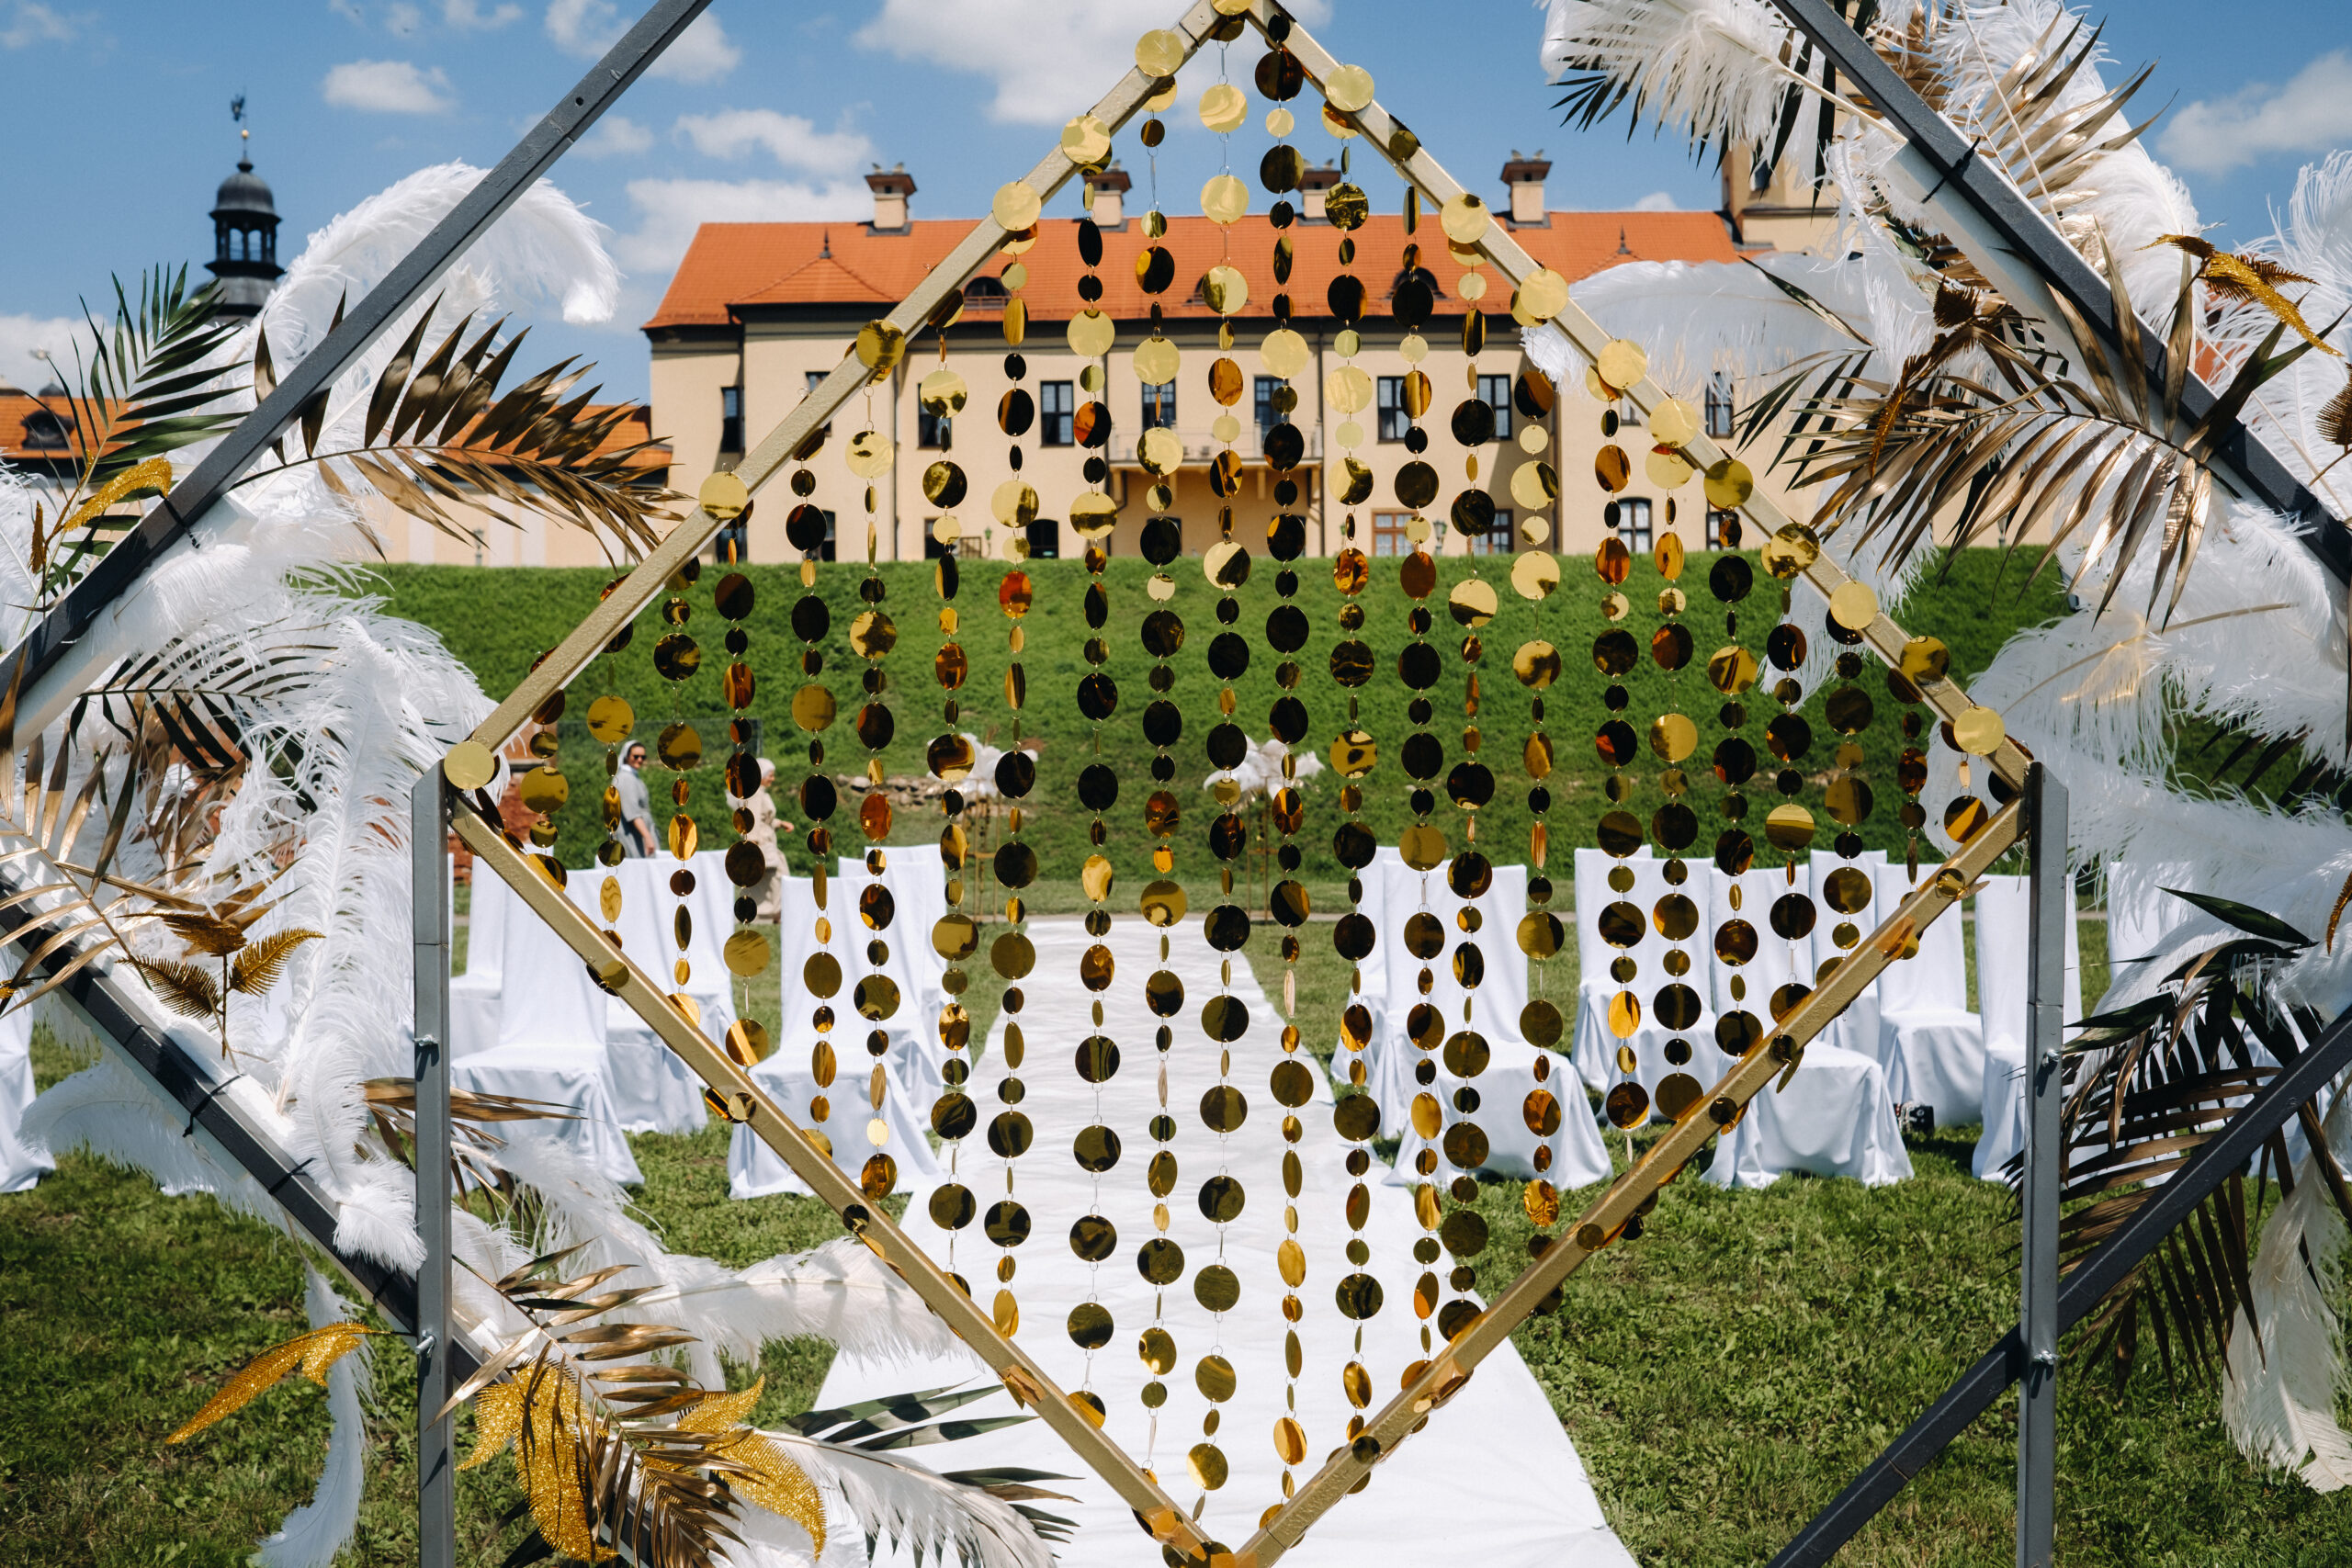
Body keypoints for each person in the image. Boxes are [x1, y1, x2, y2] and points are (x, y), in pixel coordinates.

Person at [744, 758, 795, 921]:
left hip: (767, 842)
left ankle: (774, 912)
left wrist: (780, 823)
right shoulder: (754, 795)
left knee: (773, 877)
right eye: (770, 775)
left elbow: (765, 818)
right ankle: (773, 912)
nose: (773, 779)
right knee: (775, 876)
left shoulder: (760, 793)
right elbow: (751, 820)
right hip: (761, 843)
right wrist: (752, 844)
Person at [616, 741, 654, 857]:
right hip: (632, 833)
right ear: (627, 756)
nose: (639, 760)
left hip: (638, 832)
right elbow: (632, 813)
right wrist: (647, 837)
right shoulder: (625, 779)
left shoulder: (632, 776)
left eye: (643, 757)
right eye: (636, 756)